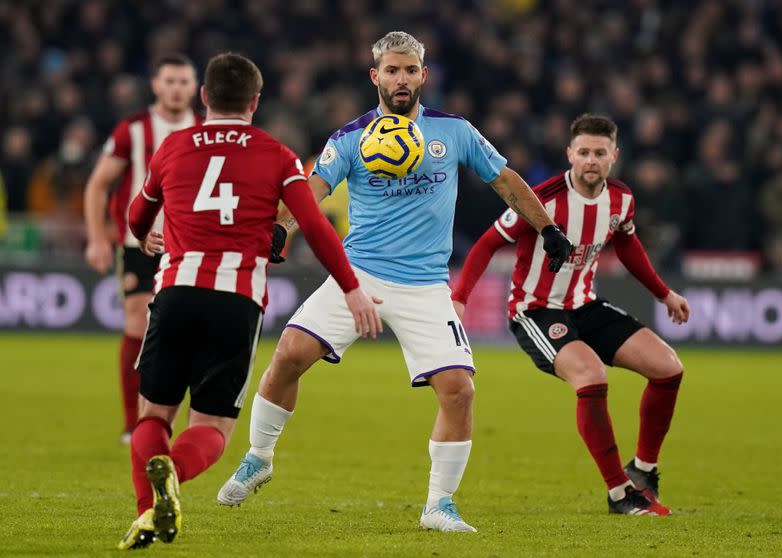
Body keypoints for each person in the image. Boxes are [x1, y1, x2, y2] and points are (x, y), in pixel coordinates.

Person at [217, 31, 572, 533]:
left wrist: (548, 227)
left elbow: (506, 180)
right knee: (288, 355)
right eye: (392, 70)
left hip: (426, 285)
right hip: (358, 275)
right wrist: (281, 227)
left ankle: (439, 506)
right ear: (375, 76)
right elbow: (312, 187)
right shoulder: (350, 138)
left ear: (423, 76)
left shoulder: (455, 132)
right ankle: (259, 456)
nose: (401, 79)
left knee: (459, 391)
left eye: (410, 70)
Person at [117, 52, 381, 550]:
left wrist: (146, 234)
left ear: (203, 97)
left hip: (174, 293)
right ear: (255, 102)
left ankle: (148, 512)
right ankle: (172, 475)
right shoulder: (277, 156)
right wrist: (351, 288)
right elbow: (316, 226)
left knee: (153, 416)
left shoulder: (173, 146)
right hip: (235, 301)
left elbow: (136, 215)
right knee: (213, 427)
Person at [450, 113, 689, 516]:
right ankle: (619, 494)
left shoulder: (621, 199)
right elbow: (487, 244)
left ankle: (644, 470)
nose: (591, 160)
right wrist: (460, 298)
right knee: (591, 375)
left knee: (668, 368)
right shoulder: (540, 198)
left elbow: (628, 246)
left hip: (584, 303)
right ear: (570, 155)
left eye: (599, 152)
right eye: (583, 152)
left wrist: (664, 294)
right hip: (536, 310)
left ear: (614, 155)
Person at [83, 53, 201, 444]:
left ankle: (171, 417)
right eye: (170, 81)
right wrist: (98, 237)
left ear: (196, 87)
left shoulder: (202, 130)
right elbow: (99, 184)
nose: (177, 89)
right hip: (138, 243)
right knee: (137, 319)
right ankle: (132, 423)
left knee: (183, 330)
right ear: (155, 85)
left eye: (184, 82)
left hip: (187, 246)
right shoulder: (132, 130)